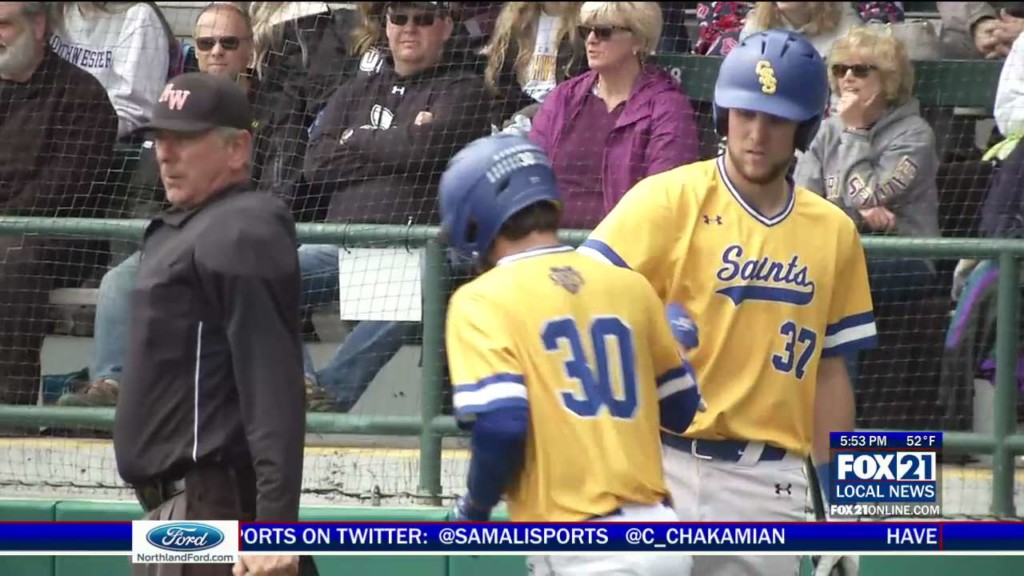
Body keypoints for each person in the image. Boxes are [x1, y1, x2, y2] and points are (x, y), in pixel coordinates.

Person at [579, 29, 878, 576]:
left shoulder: (834, 232)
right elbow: (574, 301)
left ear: (804, 128)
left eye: (776, 120)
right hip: (654, 465)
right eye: (745, 114)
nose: (757, 134)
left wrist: (843, 509)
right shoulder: (667, 199)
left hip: (765, 485)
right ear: (724, 115)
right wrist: (641, 324)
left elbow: (830, 375)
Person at [439, 134, 701, 576]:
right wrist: (676, 346)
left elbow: (502, 424)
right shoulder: (628, 285)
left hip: (581, 547)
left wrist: (475, 510)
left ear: (474, 219)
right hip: (662, 537)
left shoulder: (480, 299)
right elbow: (681, 410)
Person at [112, 72, 308, 576]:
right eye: (160, 138)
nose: (165, 153)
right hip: (174, 512)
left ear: (237, 149)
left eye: (184, 138)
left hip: (217, 508)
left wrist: (276, 528)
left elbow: (273, 385)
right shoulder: (189, 228)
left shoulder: (241, 229)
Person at [0, 1, 118, 405]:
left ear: (38, 26)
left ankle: (9, 407)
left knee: (10, 255)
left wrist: (5, 217)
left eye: (3, 25)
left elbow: (67, 186)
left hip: (62, 235)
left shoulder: (82, 95)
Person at [529, 1, 699, 229]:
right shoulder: (563, 98)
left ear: (639, 40)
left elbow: (663, 198)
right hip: (548, 238)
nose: (591, 40)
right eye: (586, 31)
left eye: (604, 32)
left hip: (624, 242)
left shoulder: (668, 108)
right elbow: (531, 174)